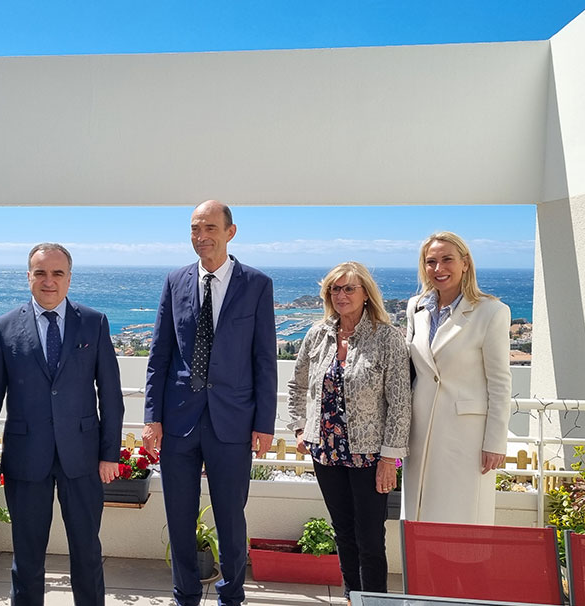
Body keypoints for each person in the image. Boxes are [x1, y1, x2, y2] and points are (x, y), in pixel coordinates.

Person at [0, 243, 124, 606]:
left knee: (87, 552)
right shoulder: (5, 327)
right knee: (27, 557)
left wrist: (109, 453)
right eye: (40, 273)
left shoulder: (94, 322)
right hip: (26, 458)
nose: (49, 281)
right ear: (28, 277)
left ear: (69, 278)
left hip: (83, 457)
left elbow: (112, 394)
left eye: (57, 273)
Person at [144, 200, 277, 606]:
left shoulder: (256, 284)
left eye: (209, 228)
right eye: (194, 229)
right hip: (178, 421)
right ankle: (185, 597)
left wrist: (265, 424)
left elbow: (264, 358)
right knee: (179, 520)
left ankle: (231, 597)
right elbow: (159, 353)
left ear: (230, 232)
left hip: (233, 423)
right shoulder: (175, 281)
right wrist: (152, 418)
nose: (201, 237)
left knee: (231, 521)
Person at [286, 262, 410, 596]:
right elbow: (297, 385)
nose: (341, 295)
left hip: (370, 456)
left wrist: (389, 459)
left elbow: (400, 402)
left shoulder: (387, 337)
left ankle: (375, 601)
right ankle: (352, 598)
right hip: (326, 453)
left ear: (366, 294)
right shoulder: (318, 334)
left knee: (370, 538)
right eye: (334, 289)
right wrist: (300, 428)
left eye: (349, 288)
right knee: (343, 532)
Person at [403, 231, 512, 524]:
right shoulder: (416, 308)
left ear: (465, 263)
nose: (439, 269)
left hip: (467, 438)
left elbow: (500, 383)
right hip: (420, 431)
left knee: (462, 521)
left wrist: (495, 442)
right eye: (431, 262)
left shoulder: (491, 312)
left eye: (447, 259)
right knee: (419, 518)